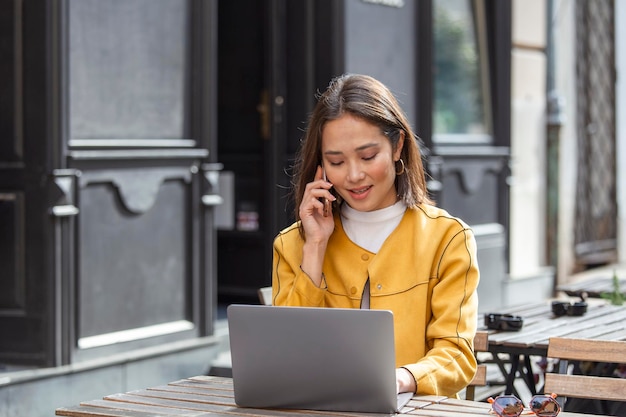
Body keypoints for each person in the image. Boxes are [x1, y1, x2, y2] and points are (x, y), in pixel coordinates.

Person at [271, 73, 480, 397]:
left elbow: (456, 356)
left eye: (368, 156)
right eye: (336, 161)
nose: (354, 175)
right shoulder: (293, 244)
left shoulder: (447, 238)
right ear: (321, 165)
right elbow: (283, 352)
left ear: (397, 145)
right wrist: (315, 246)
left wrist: (401, 379)